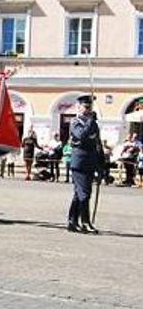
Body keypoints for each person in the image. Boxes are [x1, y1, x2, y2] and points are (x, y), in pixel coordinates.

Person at [67, 95, 102, 233]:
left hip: (90, 162)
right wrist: (90, 122)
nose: (88, 110)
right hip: (79, 163)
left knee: (79, 194)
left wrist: (101, 164)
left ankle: (72, 221)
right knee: (84, 194)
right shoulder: (75, 122)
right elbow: (80, 136)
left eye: (90, 108)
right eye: (86, 107)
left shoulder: (94, 124)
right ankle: (85, 222)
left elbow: (97, 145)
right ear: (79, 107)